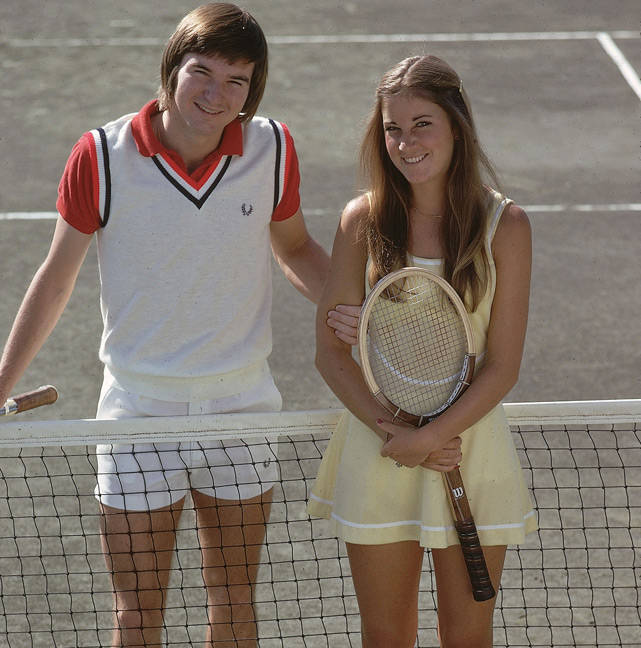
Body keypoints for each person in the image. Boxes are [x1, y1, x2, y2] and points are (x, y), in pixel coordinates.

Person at [0, 4, 359, 647]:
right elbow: (56, 279)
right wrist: (1, 382)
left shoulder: (272, 147)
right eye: (203, 72)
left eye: (237, 81)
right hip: (138, 416)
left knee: (233, 607)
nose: (215, 95)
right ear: (171, 69)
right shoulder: (101, 156)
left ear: (254, 91)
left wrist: (352, 308)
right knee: (137, 617)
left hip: (243, 409)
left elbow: (296, 248)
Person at [308, 55, 538, 648]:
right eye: (392, 128)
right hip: (380, 448)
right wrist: (399, 433)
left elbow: (502, 366)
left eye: (422, 124)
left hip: (472, 449)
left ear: (456, 126)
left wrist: (432, 436)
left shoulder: (505, 226)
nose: (405, 143)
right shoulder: (361, 221)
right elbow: (330, 356)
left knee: (467, 638)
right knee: (385, 637)